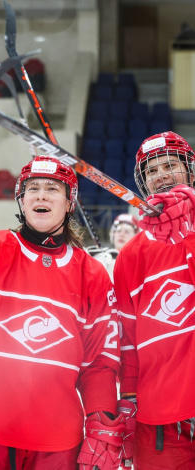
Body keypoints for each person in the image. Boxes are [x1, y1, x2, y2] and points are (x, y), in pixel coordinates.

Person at [0, 155, 125, 469]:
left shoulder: (91, 274)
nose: (41, 195)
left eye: (52, 189)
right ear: (21, 201)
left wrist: (101, 419)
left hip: (57, 444)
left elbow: (99, 363)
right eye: (32, 188)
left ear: (69, 203)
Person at [114, 130, 195, 469]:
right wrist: (128, 403)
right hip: (162, 418)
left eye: (169, 165)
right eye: (152, 170)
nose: (161, 175)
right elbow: (128, 340)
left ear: (190, 171)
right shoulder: (132, 254)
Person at [90, 213, 140, 281]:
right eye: (118, 230)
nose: (121, 234)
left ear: (136, 237)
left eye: (127, 231)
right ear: (113, 234)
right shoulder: (104, 258)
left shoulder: (140, 262)